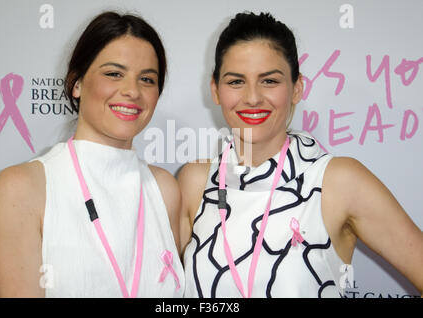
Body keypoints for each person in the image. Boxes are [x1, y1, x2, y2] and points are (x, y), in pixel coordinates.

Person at [178, 12, 423, 298]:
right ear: (215, 90)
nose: (253, 97)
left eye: (269, 81)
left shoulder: (338, 180)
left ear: (297, 88)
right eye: (236, 81)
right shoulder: (195, 181)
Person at [0, 11, 184, 298]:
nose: (132, 91)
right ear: (77, 84)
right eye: (114, 73)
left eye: (147, 79)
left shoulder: (164, 188)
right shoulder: (23, 187)